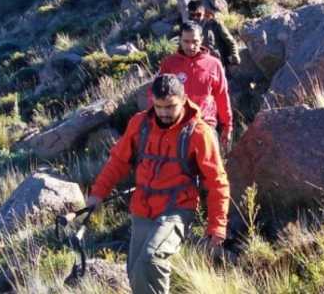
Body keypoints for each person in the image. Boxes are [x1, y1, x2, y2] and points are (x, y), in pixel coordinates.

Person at [82, 74, 230, 294]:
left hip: (177, 209)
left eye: (170, 107)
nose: (164, 113)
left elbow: (217, 182)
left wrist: (217, 226)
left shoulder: (199, 133)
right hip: (142, 209)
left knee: (152, 259)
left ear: (184, 99)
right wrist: (97, 194)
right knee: (135, 272)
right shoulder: (139, 124)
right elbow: (118, 162)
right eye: (159, 106)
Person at [158, 21, 233, 149]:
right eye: (186, 41)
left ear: (202, 40)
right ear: (180, 40)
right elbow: (157, 94)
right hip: (175, 127)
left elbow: (222, 96)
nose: (191, 46)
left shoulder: (214, 64)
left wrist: (227, 125)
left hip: (205, 126)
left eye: (195, 41)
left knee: (209, 168)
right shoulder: (169, 63)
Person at [186, 0, 240, 66]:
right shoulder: (187, 28)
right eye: (192, 15)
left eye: (198, 15)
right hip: (197, 65)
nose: (195, 18)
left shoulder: (214, 24)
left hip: (216, 63)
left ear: (203, 12)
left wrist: (235, 55)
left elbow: (230, 41)